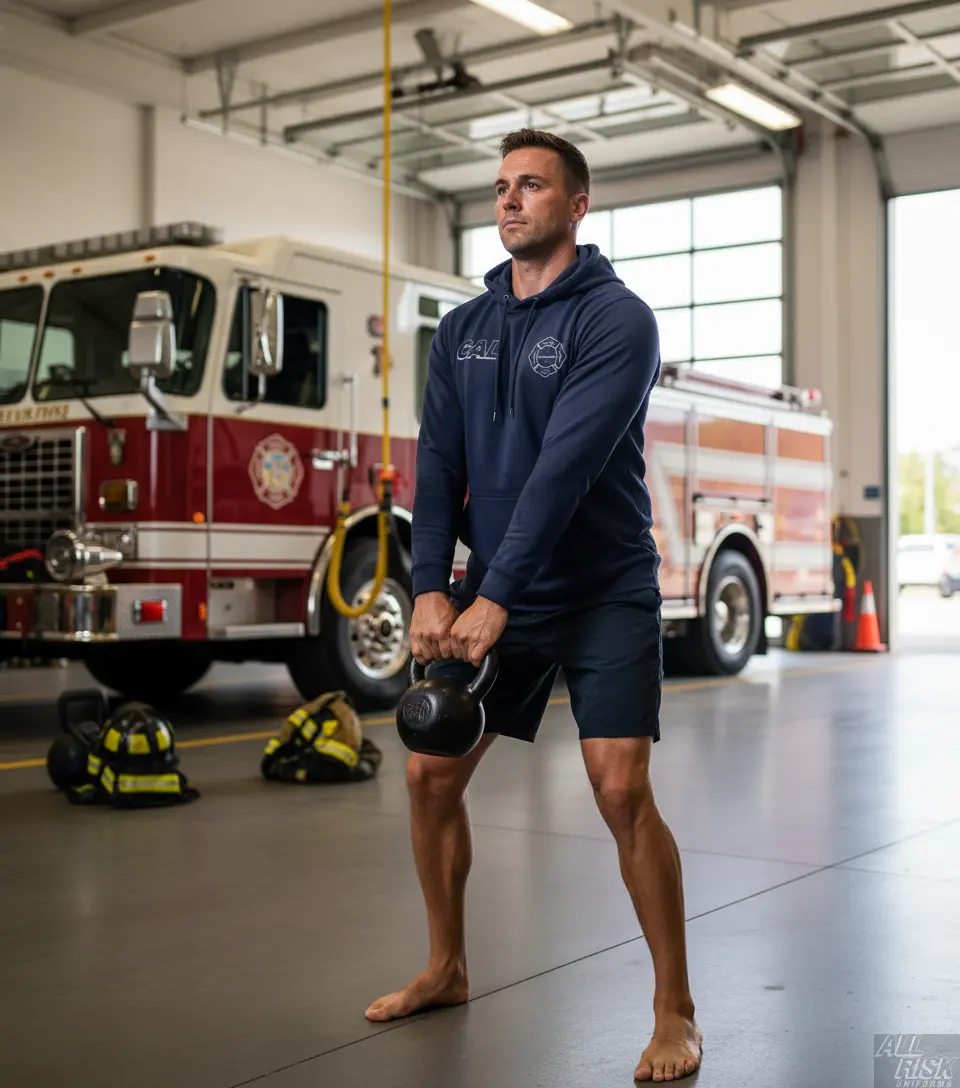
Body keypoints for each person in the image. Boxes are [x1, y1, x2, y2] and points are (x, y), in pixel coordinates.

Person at [365, 128, 702, 1083]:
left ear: (578, 204)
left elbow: (566, 469)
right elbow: (437, 462)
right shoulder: (466, 329)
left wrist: (495, 595)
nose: (511, 200)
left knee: (619, 790)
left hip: (601, 590)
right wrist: (431, 582)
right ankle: (447, 966)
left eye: (533, 186)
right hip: (493, 593)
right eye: (502, 186)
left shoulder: (618, 320)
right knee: (430, 776)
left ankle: (673, 1009)